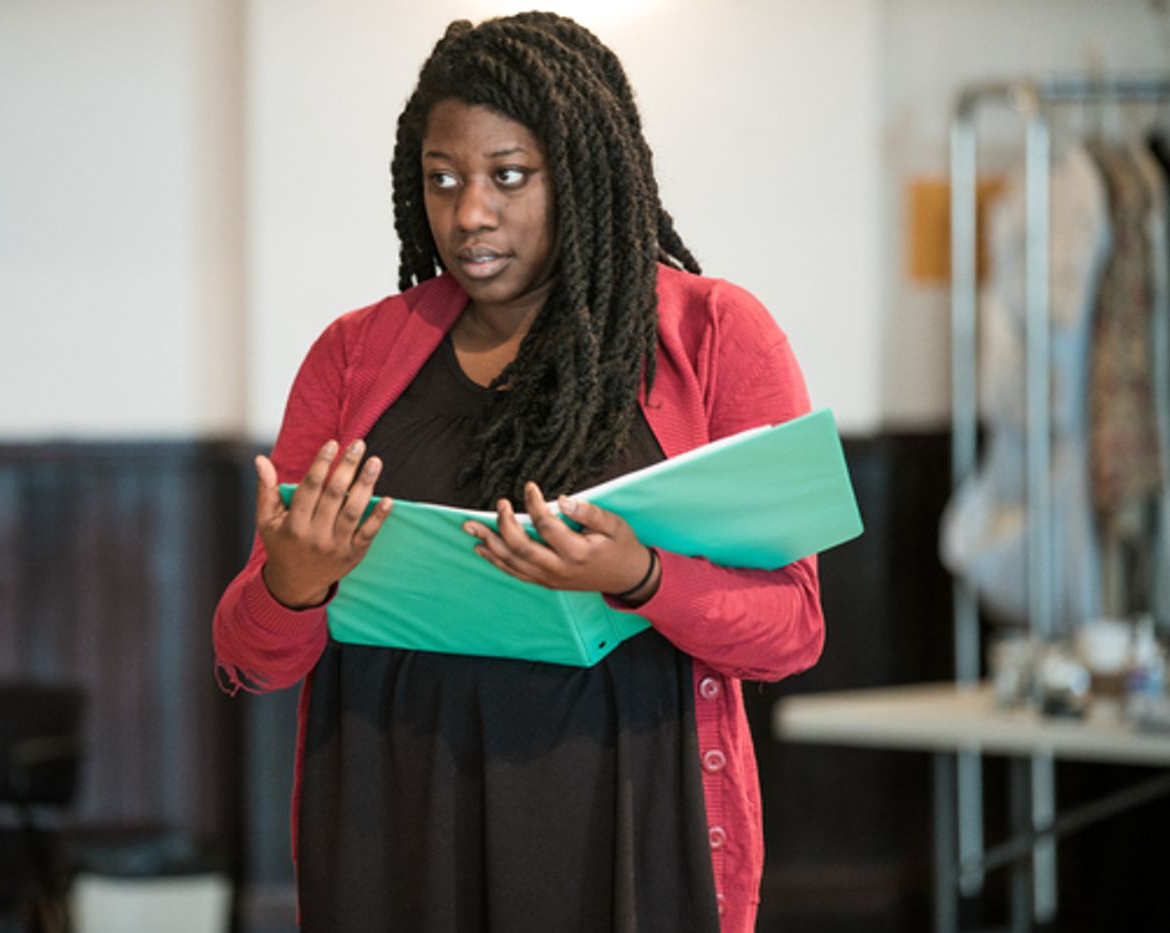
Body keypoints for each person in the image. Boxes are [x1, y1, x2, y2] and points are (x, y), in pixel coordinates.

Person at [213, 12, 823, 932]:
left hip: (621, 822)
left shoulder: (714, 335)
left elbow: (793, 629)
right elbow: (246, 658)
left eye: (508, 176)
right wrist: (294, 587)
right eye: (443, 179)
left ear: (579, 170)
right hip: (396, 816)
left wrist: (639, 577)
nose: (469, 215)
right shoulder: (353, 355)